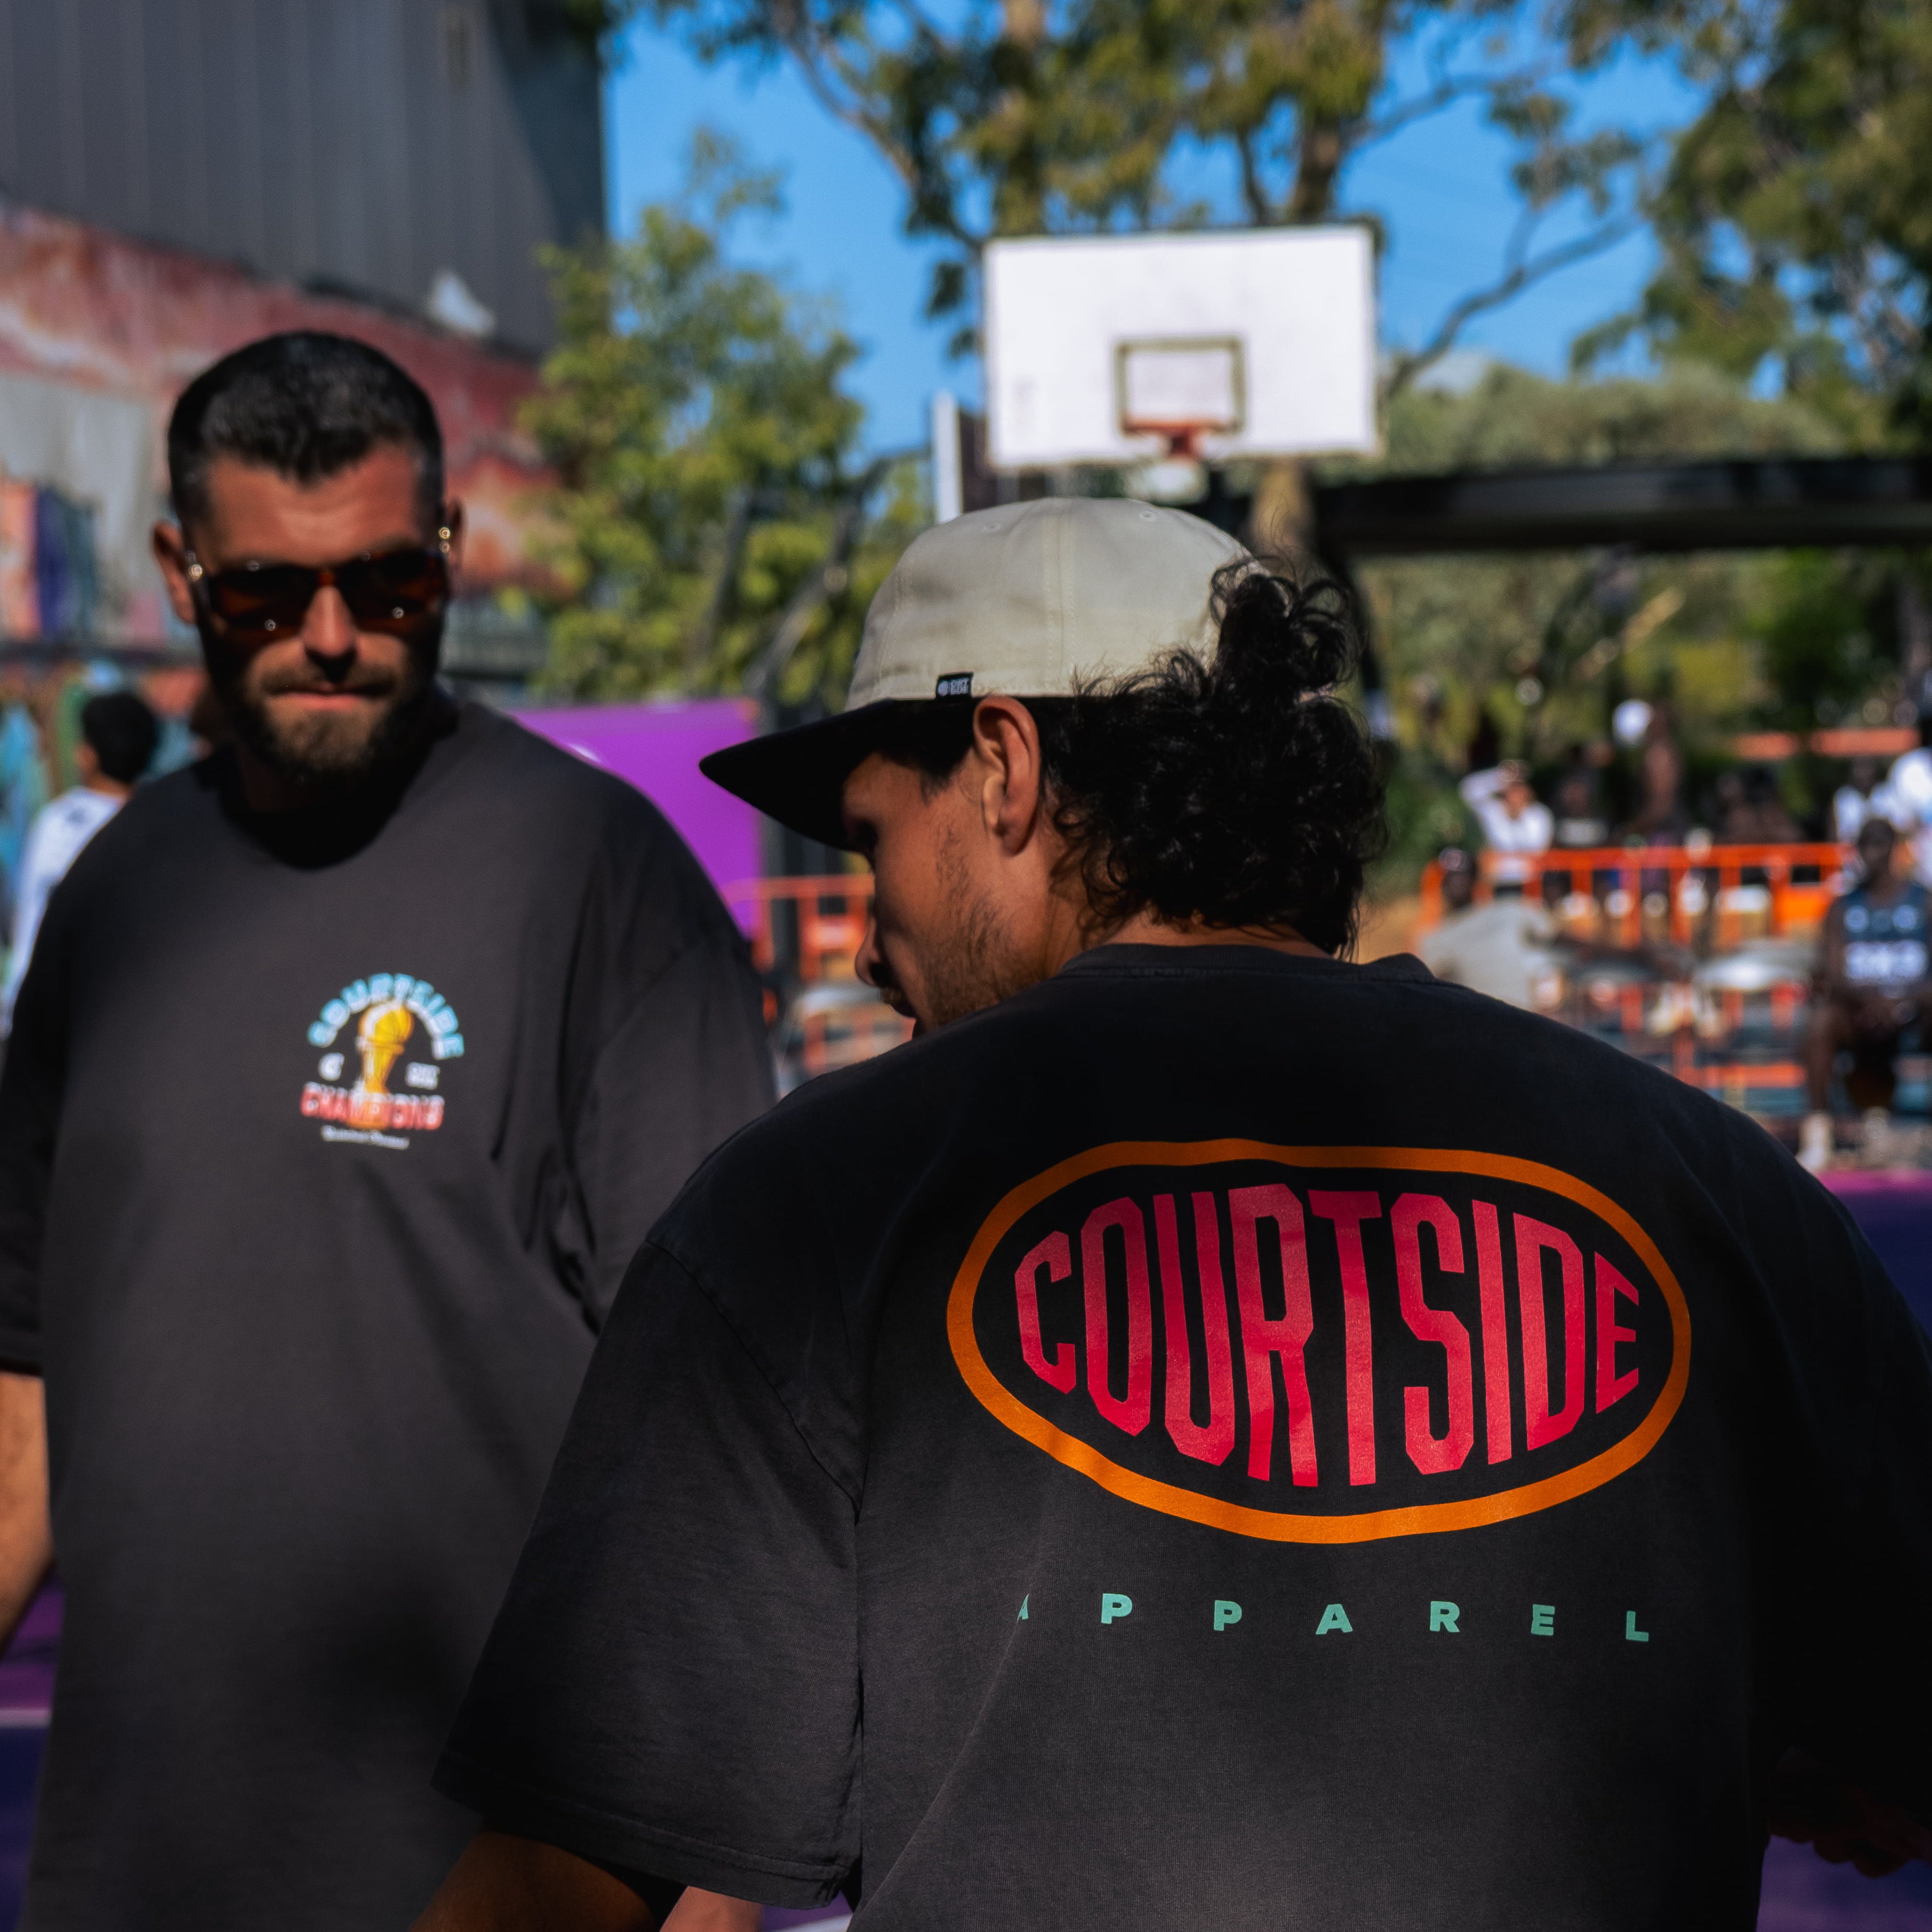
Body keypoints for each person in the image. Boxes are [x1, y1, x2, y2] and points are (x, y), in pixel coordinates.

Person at [412, 498, 1932, 1932]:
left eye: (873, 846)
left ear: (1002, 765)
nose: (870, 937)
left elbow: (557, 1887)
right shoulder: (1716, 1193)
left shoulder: (812, 1207)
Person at [0, 333, 774, 1931]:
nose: (335, 638)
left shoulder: (600, 886)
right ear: (179, 570)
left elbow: (733, 1481)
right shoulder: (115, 898)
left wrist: (702, 1909)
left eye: (387, 587)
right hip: (127, 1881)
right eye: (269, 594)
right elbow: (21, 1410)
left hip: (497, 1894)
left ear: (447, 559)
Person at [0, 690, 158, 1032]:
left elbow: (28, 915)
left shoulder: (59, 823)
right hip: (128, 1018)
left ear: (87, 754)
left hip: (49, 1017)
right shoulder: (162, 825)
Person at [1799, 816, 1931, 1174]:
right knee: (1821, 1021)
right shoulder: (1841, 907)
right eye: (1864, 845)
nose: (1870, 854)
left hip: (1915, 1011)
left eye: (1878, 844)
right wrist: (1870, 1000)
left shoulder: (1923, 901)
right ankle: (1817, 1135)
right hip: (1859, 1012)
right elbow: (1831, 973)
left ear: (1893, 849)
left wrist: (1905, 1001)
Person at [1416, 846, 1558, 1010]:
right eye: (1450, 876)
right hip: (1481, 1020)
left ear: (1475, 878)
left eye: (1463, 875)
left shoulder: (1509, 909)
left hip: (1525, 1013)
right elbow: (1438, 991)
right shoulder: (1435, 937)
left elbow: (1558, 935)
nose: (1456, 882)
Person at [1457, 757, 1551, 884]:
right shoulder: (1493, 811)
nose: (1515, 794)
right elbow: (1468, 790)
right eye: (1511, 788)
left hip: (1531, 882)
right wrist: (1502, 775)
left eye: (1519, 788)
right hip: (1497, 882)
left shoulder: (1539, 814)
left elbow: (1537, 851)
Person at [1834, 754, 1885, 844]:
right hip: (1850, 851)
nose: (1864, 773)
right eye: (1860, 768)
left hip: (1881, 849)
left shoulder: (1884, 793)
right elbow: (1835, 832)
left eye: (1868, 767)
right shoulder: (1844, 796)